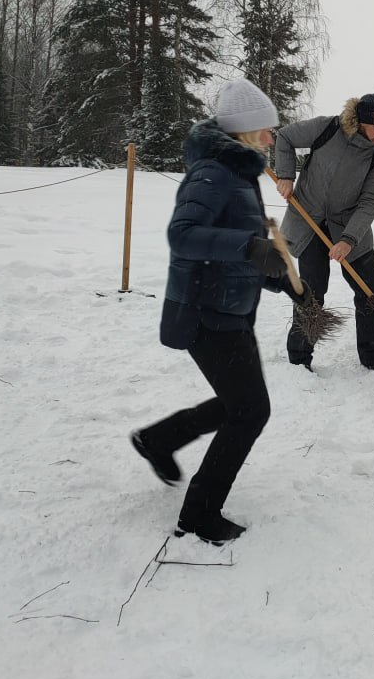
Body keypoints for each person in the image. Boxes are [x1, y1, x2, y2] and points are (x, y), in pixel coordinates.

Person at [131, 79, 308, 545]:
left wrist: (280, 278)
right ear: (246, 132)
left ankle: (160, 439)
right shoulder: (213, 172)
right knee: (250, 411)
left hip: (228, 311)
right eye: (268, 131)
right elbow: (182, 234)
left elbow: (238, 250)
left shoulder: (239, 173)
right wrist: (251, 248)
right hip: (205, 314)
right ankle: (200, 514)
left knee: (238, 404)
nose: (273, 139)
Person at [273, 94, 374, 376]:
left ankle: (373, 357)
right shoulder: (327, 128)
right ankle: (299, 358)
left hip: (349, 224)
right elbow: (284, 137)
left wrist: (348, 239)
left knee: (370, 290)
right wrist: (285, 174)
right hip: (309, 220)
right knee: (311, 292)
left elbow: (371, 199)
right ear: (359, 122)